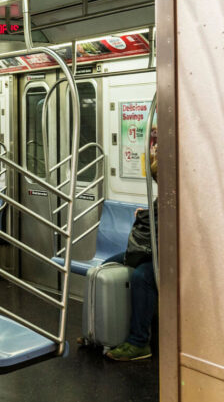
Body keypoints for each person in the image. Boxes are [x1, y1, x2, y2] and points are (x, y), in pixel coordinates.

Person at [105, 141, 159, 361]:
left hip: (171, 258)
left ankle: (139, 342)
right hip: (151, 251)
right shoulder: (167, 191)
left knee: (142, 277)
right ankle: (105, 331)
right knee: (107, 265)